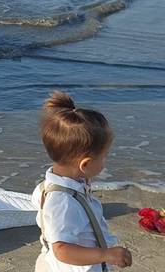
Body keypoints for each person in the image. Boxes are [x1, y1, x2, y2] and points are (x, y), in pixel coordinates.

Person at [32, 91, 133, 271]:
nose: (105, 162)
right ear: (85, 164)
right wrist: (106, 255)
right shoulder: (63, 202)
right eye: (103, 156)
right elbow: (62, 250)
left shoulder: (48, 187)